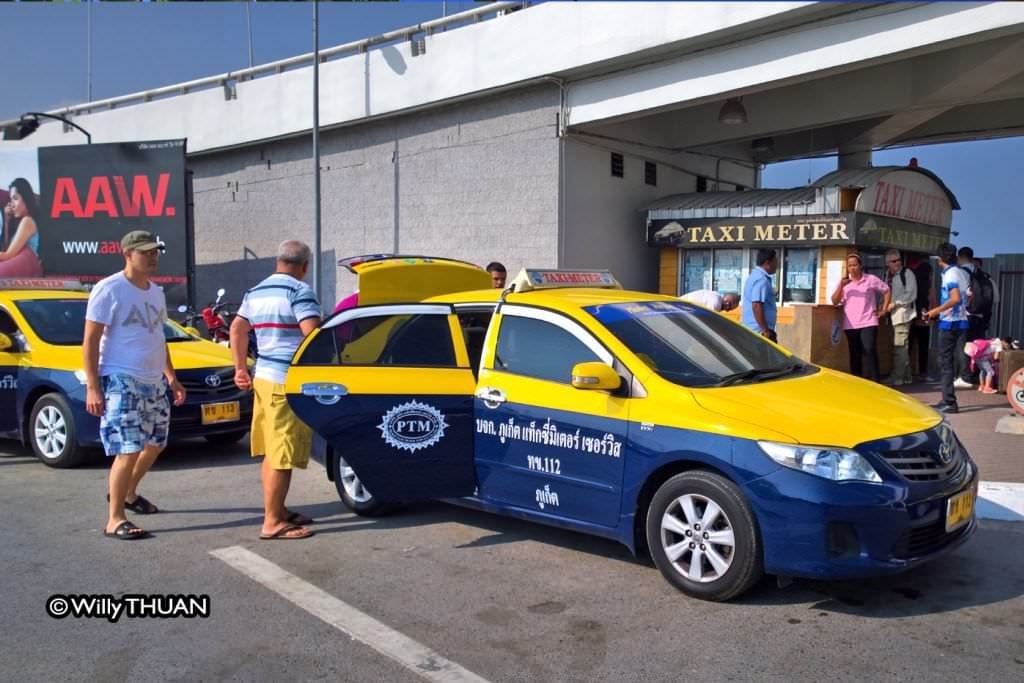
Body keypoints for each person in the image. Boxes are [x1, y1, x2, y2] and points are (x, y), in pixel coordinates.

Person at [83, 230, 187, 540]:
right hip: (121, 380)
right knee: (127, 450)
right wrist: (93, 386)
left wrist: (172, 377)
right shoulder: (109, 289)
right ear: (127, 254)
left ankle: (128, 493)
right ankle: (115, 519)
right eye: (146, 252)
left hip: (154, 381)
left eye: (155, 251)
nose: (153, 257)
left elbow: (158, 336)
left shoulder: (156, 292)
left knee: (155, 445)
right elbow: (90, 341)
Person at [231, 240, 322, 540]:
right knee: (282, 453)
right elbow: (312, 337)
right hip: (287, 381)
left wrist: (240, 368)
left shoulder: (255, 292)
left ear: (277, 261)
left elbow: (237, 329)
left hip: (264, 379)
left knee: (272, 450)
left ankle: (279, 510)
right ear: (305, 266)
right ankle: (272, 522)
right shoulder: (299, 291)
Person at [831, 252, 891, 382]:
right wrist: (841, 285)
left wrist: (884, 310)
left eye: (855, 265)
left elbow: (886, 290)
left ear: (860, 266)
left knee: (869, 349)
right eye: (849, 266)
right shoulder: (845, 284)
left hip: (868, 321)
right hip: (850, 324)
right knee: (855, 354)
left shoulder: (870, 279)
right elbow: (834, 301)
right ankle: (857, 382)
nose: (852, 268)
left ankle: (876, 381)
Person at [926, 242, 970, 414]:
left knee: (945, 362)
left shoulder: (950, 275)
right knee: (951, 360)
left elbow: (954, 298)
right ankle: (948, 398)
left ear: (940, 258)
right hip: (962, 320)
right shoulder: (962, 273)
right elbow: (967, 297)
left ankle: (949, 402)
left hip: (949, 322)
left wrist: (933, 312)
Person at [883, 249, 917, 385]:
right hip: (891, 315)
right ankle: (907, 377)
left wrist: (895, 303)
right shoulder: (887, 275)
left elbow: (911, 294)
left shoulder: (907, 274)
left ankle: (897, 377)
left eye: (899, 260)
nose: (897, 263)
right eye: (893, 261)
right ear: (887, 263)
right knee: (902, 347)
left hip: (902, 314)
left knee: (899, 347)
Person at [0, 178, 44, 277]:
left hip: (26, 265)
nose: (12, 205)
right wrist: (6, 222)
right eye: (11, 200)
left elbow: (7, 255)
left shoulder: (27, 221)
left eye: (15, 198)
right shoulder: (21, 222)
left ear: (26, 198)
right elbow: (7, 250)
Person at [907, 254, 935, 381]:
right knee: (917, 344)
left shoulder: (910, 270)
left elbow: (931, 292)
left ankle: (915, 372)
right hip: (916, 309)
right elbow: (931, 292)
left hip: (915, 309)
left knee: (913, 345)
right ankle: (918, 372)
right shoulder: (908, 269)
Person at [741, 249, 778, 342]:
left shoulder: (754, 276)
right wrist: (766, 331)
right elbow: (756, 305)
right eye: (775, 262)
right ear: (767, 263)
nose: (777, 265)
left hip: (754, 330)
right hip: (758, 332)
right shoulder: (761, 279)